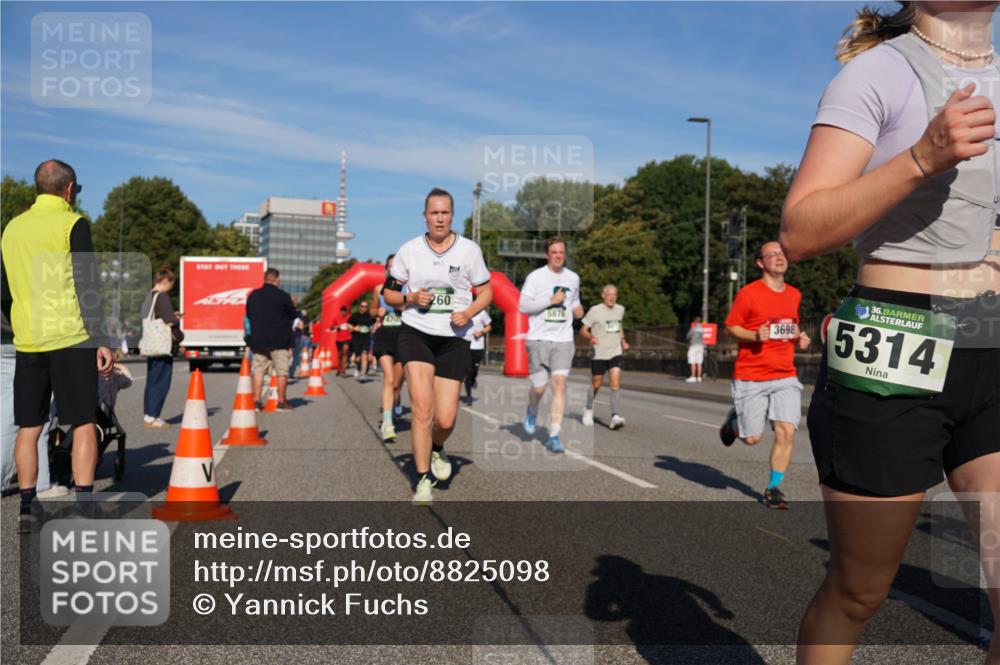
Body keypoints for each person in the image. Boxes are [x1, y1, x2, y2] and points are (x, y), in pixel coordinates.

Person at [782, 4, 1000, 662]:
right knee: (859, 593)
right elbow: (800, 230)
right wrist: (921, 157)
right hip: (895, 338)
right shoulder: (877, 74)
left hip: (991, 340)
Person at [0, 159, 113, 532]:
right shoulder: (72, 224)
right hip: (71, 337)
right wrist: (100, 340)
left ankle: (28, 509)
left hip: (29, 339)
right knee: (82, 422)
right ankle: (85, 507)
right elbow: (87, 285)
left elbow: (3, 292)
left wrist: (22, 321)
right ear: (69, 189)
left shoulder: (12, 229)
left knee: (28, 426)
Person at [383, 188, 492, 505]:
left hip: (454, 338)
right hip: (416, 332)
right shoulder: (409, 250)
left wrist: (469, 312)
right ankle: (422, 480)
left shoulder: (469, 251)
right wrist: (410, 298)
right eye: (434, 213)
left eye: (445, 213)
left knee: (445, 419)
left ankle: (436, 447)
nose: (439, 218)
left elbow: (486, 292)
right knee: (422, 408)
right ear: (425, 216)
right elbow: (388, 294)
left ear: (452, 216)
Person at [719, 241, 810, 510]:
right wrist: (753, 335)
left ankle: (773, 488)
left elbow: (789, 327)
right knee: (751, 439)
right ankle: (733, 422)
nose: (779, 257)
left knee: (786, 431)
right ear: (760, 263)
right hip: (752, 374)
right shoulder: (749, 294)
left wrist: (799, 337)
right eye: (772, 254)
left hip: (784, 374)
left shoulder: (794, 294)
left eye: (782, 253)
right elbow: (730, 327)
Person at [518, 236, 584, 453]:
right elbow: (523, 306)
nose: (558, 256)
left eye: (561, 253)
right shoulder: (535, 277)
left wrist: (578, 309)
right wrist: (550, 301)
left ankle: (554, 434)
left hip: (563, 340)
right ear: (547, 255)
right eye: (554, 252)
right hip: (538, 339)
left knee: (559, 384)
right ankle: (532, 408)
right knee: (539, 387)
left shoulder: (573, 278)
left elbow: (574, 301)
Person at [245, 268, 297, 411]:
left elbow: (249, 315)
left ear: (265, 278)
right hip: (279, 341)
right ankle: (281, 401)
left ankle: (256, 401)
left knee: (259, 370)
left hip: (259, 340)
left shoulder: (253, 296)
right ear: (277, 280)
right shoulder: (283, 296)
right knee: (282, 372)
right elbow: (293, 315)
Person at [581, 284, 629, 429]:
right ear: (603, 296)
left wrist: (623, 340)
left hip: (615, 351)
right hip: (599, 353)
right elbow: (583, 330)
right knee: (597, 383)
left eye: (615, 295)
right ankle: (588, 409)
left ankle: (615, 416)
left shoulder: (620, 309)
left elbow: (619, 325)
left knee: (615, 382)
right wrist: (591, 337)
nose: (612, 297)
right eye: (609, 294)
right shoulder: (595, 311)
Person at [140, 266, 181, 429]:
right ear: (165, 281)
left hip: (151, 344)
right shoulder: (162, 297)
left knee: (152, 380)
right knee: (161, 381)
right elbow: (169, 320)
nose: (171, 287)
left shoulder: (148, 297)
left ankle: (149, 414)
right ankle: (153, 416)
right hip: (161, 345)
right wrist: (176, 318)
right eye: (171, 284)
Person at [373, 254, 405, 442]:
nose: (393, 270)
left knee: (397, 384)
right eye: (390, 267)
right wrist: (377, 313)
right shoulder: (379, 289)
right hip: (384, 336)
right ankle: (387, 422)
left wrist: (405, 305)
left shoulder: (409, 289)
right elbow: (372, 310)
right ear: (386, 270)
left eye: (396, 267)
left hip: (403, 337)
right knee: (389, 378)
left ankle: (393, 408)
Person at [462, 308, 492, 405]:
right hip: (466, 345)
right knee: (468, 372)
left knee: (474, 371)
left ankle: (473, 379)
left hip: (478, 346)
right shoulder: (463, 311)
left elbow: (489, 327)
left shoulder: (482, 313)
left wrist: (481, 332)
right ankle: (469, 397)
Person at [348, 300, 374, 379]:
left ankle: (363, 373)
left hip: (366, 339)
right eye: (362, 306)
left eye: (366, 306)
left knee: (365, 355)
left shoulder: (370, 316)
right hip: (356, 339)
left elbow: (374, 324)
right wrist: (354, 328)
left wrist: (373, 329)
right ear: (360, 307)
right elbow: (348, 324)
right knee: (358, 358)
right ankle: (358, 367)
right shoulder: (355, 315)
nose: (364, 308)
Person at [329, 305, 352, 377]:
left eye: (345, 311)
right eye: (342, 311)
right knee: (340, 355)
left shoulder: (349, 317)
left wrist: (350, 327)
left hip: (347, 338)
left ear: (346, 311)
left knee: (345, 352)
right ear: (340, 311)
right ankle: (339, 368)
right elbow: (331, 327)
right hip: (339, 339)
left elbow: (354, 326)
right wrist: (337, 326)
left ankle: (343, 370)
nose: (343, 312)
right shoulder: (336, 317)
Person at [686, 315, 706, 383]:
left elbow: (688, 336)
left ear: (695, 321)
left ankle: (693, 377)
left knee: (692, 362)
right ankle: (699, 377)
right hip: (701, 346)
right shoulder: (702, 329)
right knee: (699, 362)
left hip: (694, 346)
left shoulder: (693, 328)